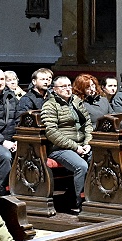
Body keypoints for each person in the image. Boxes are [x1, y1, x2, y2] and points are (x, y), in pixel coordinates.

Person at [41, 76, 93, 204]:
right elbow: (51, 132)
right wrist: (75, 147)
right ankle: (79, 201)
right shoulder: (50, 105)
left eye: (69, 86)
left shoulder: (76, 101)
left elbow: (88, 124)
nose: (68, 89)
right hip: (60, 148)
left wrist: (88, 143)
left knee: (101, 160)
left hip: (82, 145)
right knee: (81, 166)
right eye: (63, 87)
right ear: (54, 89)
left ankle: (95, 198)